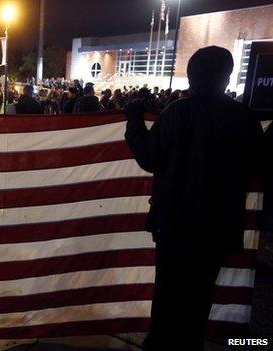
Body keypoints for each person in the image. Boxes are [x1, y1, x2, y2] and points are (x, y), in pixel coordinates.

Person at [124, 46, 263, 351]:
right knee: (200, 299)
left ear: (191, 75)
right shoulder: (243, 117)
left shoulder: (178, 113)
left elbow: (149, 157)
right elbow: (256, 165)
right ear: (226, 77)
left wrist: (134, 120)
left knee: (167, 298)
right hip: (217, 227)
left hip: (174, 225)